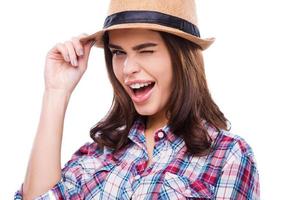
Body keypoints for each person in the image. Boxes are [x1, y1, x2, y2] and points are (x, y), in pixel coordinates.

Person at [14, 0, 260, 199]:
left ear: (181, 58)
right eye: (118, 53)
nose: (128, 68)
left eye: (146, 50)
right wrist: (56, 92)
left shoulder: (228, 156)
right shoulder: (97, 153)